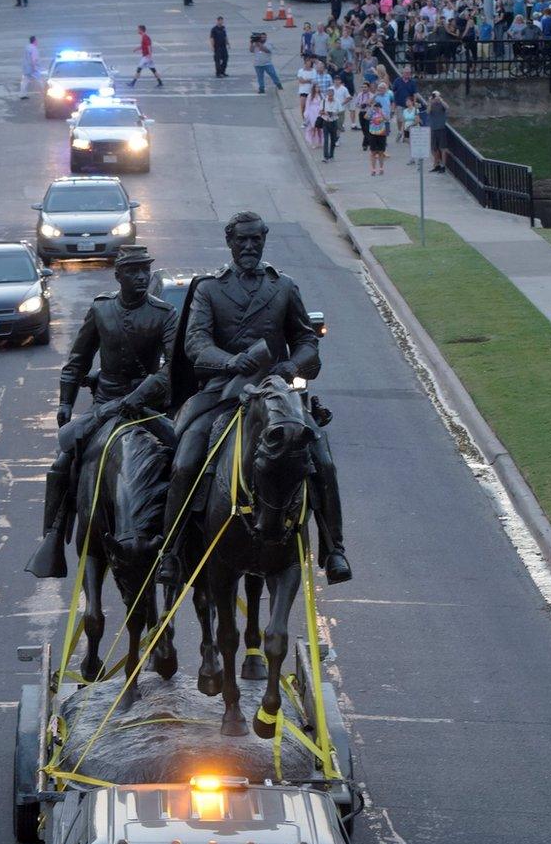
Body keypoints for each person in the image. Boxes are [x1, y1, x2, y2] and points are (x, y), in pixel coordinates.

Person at [158, 212, 351, 587]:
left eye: (254, 240)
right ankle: (171, 550)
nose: (248, 247)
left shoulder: (283, 287)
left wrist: (290, 365)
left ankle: (334, 548)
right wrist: (230, 361)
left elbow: (307, 339)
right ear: (230, 243)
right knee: (183, 462)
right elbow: (195, 342)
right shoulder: (209, 289)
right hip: (223, 394)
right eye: (241, 241)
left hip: (276, 394)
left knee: (322, 460)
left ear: (263, 241)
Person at [28, 245, 178, 579]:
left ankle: (180, 544)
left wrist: (140, 396)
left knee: (185, 459)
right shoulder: (101, 310)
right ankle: (54, 533)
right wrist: (65, 403)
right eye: (134, 271)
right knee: (63, 462)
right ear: (119, 275)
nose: (141, 277)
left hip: (148, 410)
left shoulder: (164, 313)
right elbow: (77, 361)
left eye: (145, 271)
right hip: (106, 406)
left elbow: (171, 369)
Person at [428, 89, 448, 172]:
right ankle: (437, 164)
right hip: (433, 128)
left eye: (436, 95)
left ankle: (443, 166)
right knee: (434, 149)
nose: (435, 97)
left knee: (443, 148)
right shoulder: (431, 104)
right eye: (434, 96)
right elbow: (428, 111)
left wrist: (440, 100)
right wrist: (430, 102)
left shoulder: (442, 104)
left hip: (441, 128)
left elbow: (447, 107)